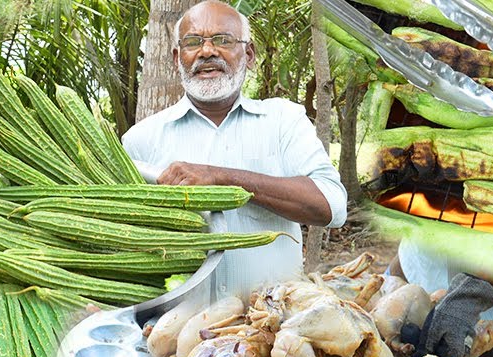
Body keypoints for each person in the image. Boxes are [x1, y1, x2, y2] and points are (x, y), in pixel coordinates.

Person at [121, 0, 347, 283]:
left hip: (269, 310)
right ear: (177, 58)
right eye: (193, 42)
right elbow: (123, 235)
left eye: (223, 40)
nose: (207, 51)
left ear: (249, 54)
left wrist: (221, 178)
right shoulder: (140, 140)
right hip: (180, 311)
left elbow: (332, 206)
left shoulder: (284, 120)